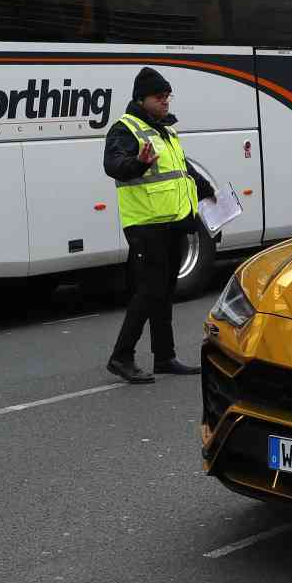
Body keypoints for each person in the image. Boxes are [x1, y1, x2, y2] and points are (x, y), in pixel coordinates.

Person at [103, 67, 215, 384]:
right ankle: (121, 356)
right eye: (159, 97)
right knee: (148, 290)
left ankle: (165, 357)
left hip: (173, 223)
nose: (165, 101)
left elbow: (182, 170)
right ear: (142, 99)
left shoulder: (166, 130)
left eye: (167, 96)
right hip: (146, 224)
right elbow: (114, 166)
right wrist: (138, 162)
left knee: (164, 291)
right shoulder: (125, 129)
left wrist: (207, 189)